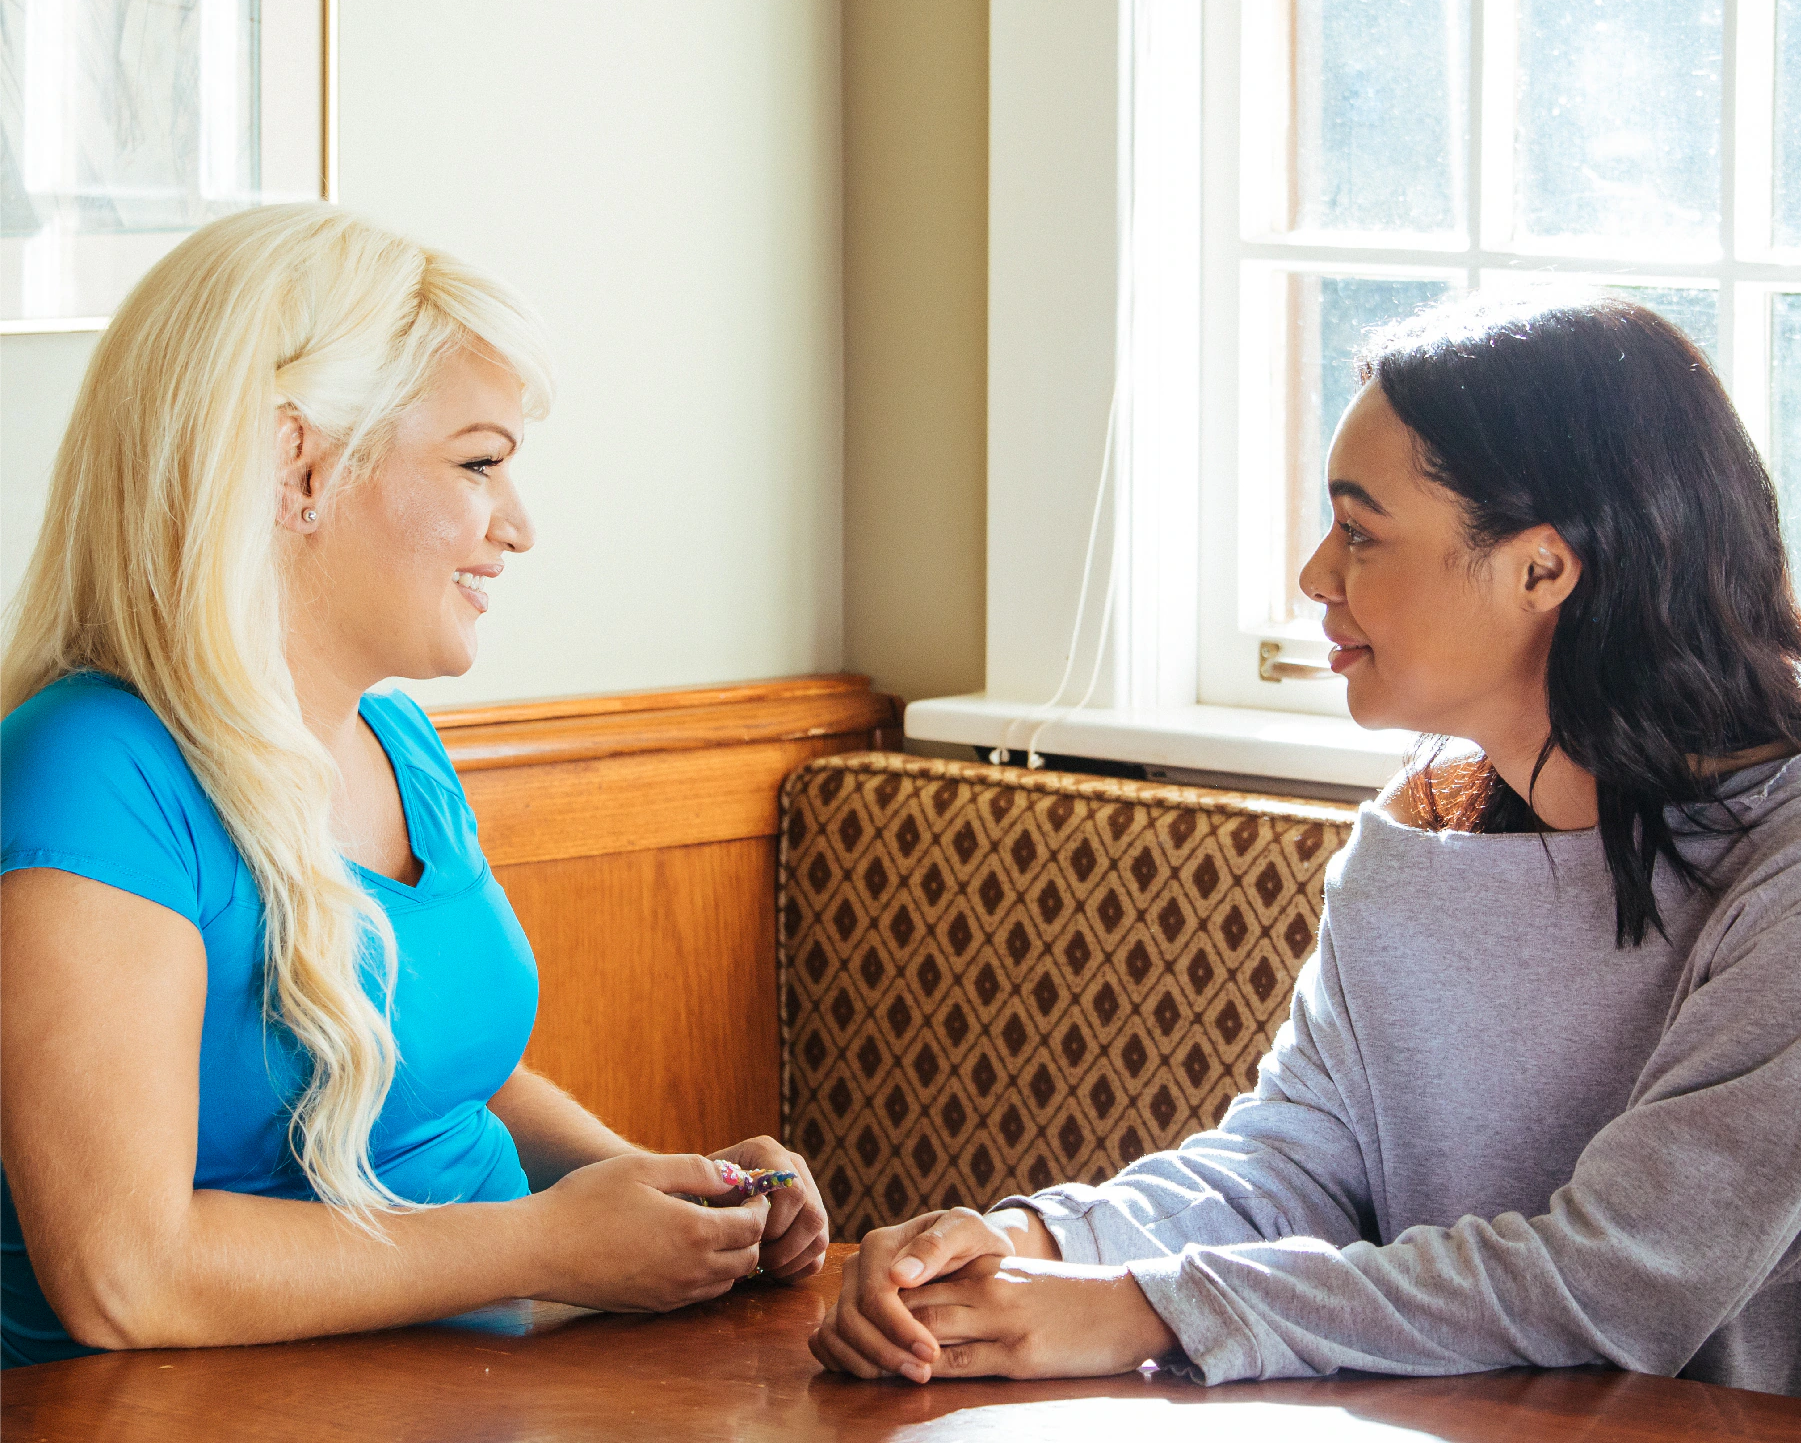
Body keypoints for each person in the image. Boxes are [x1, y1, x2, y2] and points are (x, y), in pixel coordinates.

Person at [810, 296, 1801, 1397]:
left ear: (1541, 571)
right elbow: (1292, 1166)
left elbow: (1618, 1280)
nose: (1315, 576)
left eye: (1361, 532)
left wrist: (1148, 1306)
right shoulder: (1422, 833)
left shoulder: (1785, 880)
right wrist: (1034, 1244)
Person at [0, 205, 826, 1367]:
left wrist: (635, 1183)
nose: (519, 527)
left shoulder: (397, 745)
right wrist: (544, 1246)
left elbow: (421, 1070)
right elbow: (128, 1278)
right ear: (303, 467)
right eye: (479, 463)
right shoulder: (91, 772)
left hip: (472, 1378)